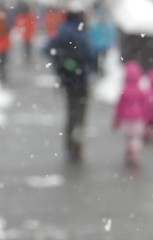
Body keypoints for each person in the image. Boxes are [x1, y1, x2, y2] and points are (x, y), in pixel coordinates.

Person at [44, 7, 95, 162]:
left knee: (70, 113)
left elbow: (46, 50)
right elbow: (90, 56)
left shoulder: (61, 31)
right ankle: (76, 147)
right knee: (80, 115)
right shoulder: (80, 32)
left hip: (66, 80)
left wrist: (63, 61)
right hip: (81, 80)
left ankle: (69, 146)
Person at [113, 61, 147, 166]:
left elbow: (119, 107)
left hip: (126, 119)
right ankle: (134, 153)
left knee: (129, 137)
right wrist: (147, 118)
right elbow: (145, 106)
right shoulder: (141, 91)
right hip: (138, 119)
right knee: (136, 138)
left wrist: (116, 120)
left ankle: (130, 151)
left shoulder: (124, 91)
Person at [88, 3, 117, 75]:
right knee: (99, 60)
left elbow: (111, 35)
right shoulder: (96, 25)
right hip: (98, 47)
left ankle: (100, 70)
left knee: (101, 60)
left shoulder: (105, 25)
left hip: (102, 46)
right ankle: (99, 70)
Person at [0, 4, 11, 85]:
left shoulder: (5, 19)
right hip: (4, 43)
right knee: (3, 60)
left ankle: (2, 73)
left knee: (3, 61)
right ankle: (3, 73)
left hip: (3, 43)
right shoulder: (6, 18)